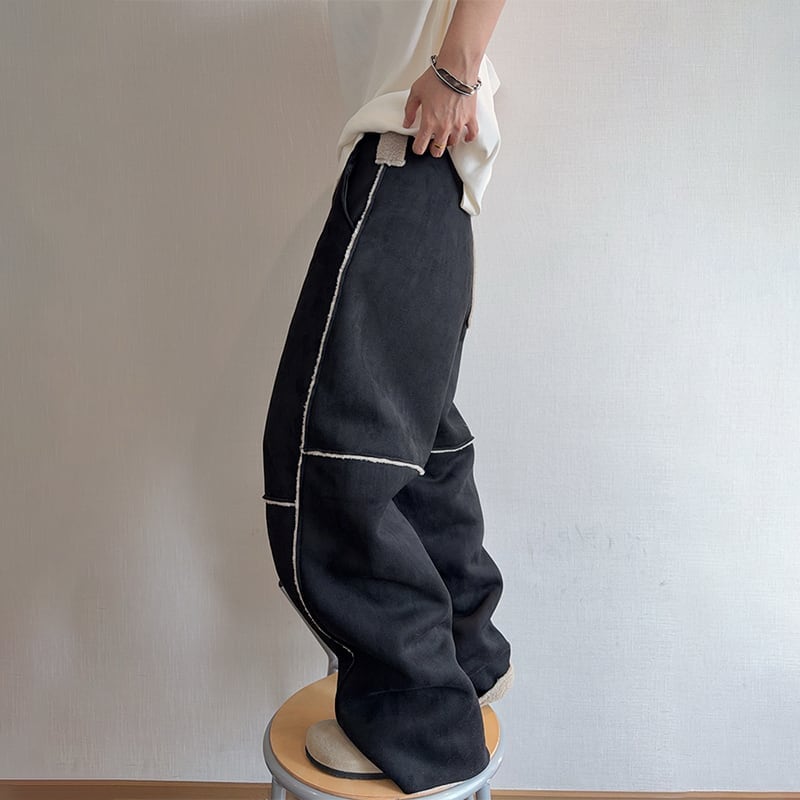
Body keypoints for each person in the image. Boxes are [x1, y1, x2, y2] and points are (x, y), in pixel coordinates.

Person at [262, 0, 511, 793]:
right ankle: (466, 652)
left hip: (408, 150)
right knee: (417, 442)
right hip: (426, 172)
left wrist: (454, 71)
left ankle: (417, 716)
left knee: (331, 450)